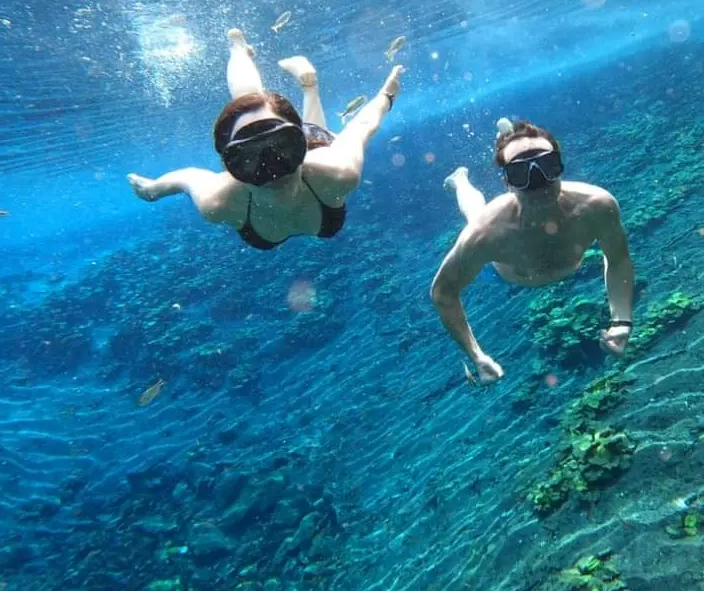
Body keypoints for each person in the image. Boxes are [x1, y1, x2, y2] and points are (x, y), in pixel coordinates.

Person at [127, 28, 403, 249]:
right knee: (248, 102)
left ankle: (299, 82)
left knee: (267, 109)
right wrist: (153, 191)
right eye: (248, 158)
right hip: (306, 158)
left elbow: (363, 125)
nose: (272, 170)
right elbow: (186, 178)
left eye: (283, 148)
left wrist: (386, 96)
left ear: (301, 145)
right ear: (228, 166)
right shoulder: (219, 202)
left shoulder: (337, 171)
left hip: (316, 150)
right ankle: (244, 51)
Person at [430, 120, 635, 385]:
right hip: (502, 276)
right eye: (520, 173)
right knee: (476, 215)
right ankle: (460, 181)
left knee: (479, 219)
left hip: (528, 264)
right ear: (507, 182)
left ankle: (506, 147)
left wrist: (622, 321)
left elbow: (617, 259)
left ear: (560, 167)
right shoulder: (487, 233)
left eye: (547, 166)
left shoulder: (596, 206)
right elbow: (443, 292)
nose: (538, 183)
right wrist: (476, 355)